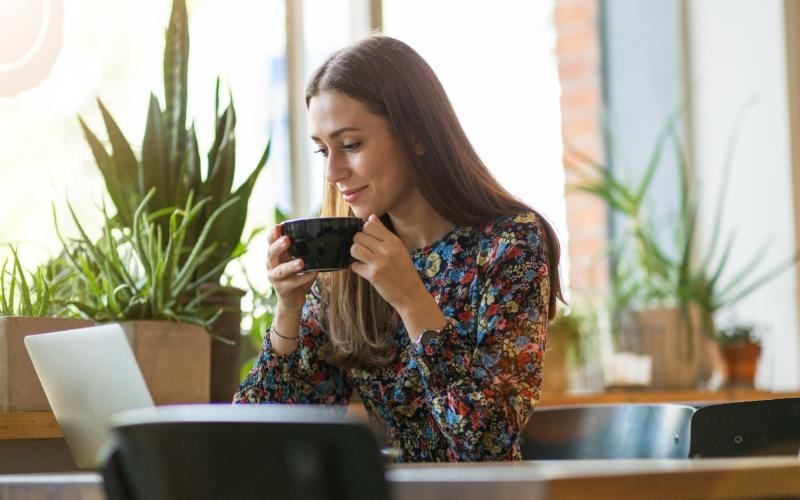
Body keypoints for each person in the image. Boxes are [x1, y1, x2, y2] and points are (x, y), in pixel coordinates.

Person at [235, 35, 563, 462]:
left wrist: (411, 299)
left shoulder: (510, 244)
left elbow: (485, 440)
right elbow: (261, 441)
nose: (333, 171)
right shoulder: (345, 258)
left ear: (416, 136)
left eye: (350, 145)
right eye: (322, 150)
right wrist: (288, 311)